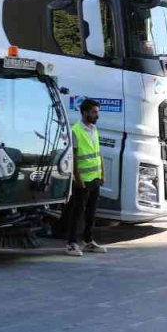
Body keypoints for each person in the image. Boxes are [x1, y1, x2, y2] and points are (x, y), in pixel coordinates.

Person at [64, 99, 107, 257]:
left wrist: (103, 172)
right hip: (82, 180)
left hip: (95, 178)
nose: (97, 115)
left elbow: (98, 152)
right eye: (94, 112)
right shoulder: (75, 131)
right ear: (85, 112)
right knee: (77, 212)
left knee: (91, 212)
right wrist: (78, 178)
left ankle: (88, 241)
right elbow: (73, 157)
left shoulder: (94, 129)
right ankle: (71, 244)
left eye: (97, 111)